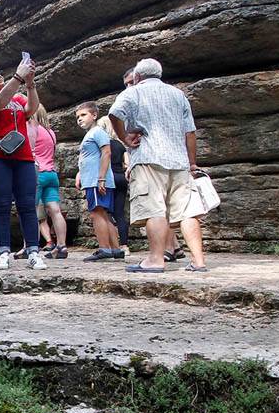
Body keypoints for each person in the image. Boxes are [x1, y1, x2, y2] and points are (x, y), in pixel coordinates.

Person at [109, 58, 207, 272]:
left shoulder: (132, 92)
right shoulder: (178, 94)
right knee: (188, 212)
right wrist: (192, 163)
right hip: (179, 161)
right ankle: (199, 262)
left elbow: (114, 114)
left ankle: (155, 259)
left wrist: (125, 138)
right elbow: (190, 131)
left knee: (155, 210)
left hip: (148, 159)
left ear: (136, 77)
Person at [0, 59, 46, 270]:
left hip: (23, 157)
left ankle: (33, 251)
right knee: (2, 205)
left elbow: (32, 109)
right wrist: (17, 77)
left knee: (27, 205)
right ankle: (3, 252)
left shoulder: (16, 98)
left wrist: (30, 84)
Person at [74, 102, 122, 261]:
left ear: (94, 115)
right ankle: (115, 249)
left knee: (96, 213)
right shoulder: (92, 133)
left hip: (96, 180)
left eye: (83, 115)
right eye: (77, 117)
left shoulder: (97, 132)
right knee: (105, 214)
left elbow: (106, 152)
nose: (79, 119)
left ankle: (104, 249)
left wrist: (101, 178)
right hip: (93, 179)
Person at [29, 104, 67, 258]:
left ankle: (29, 247)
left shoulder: (33, 130)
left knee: (30, 210)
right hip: (52, 174)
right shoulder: (51, 132)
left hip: (38, 173)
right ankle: (62, 246)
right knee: (55, 211)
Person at [98, 116, 130, 253]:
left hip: (109, 178)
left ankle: (112, 244)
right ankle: (124, 245)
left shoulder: (102, 144)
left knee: (105, 212)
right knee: (120, 213)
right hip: (121, 178)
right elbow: (127, 163)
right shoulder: (121, 145)